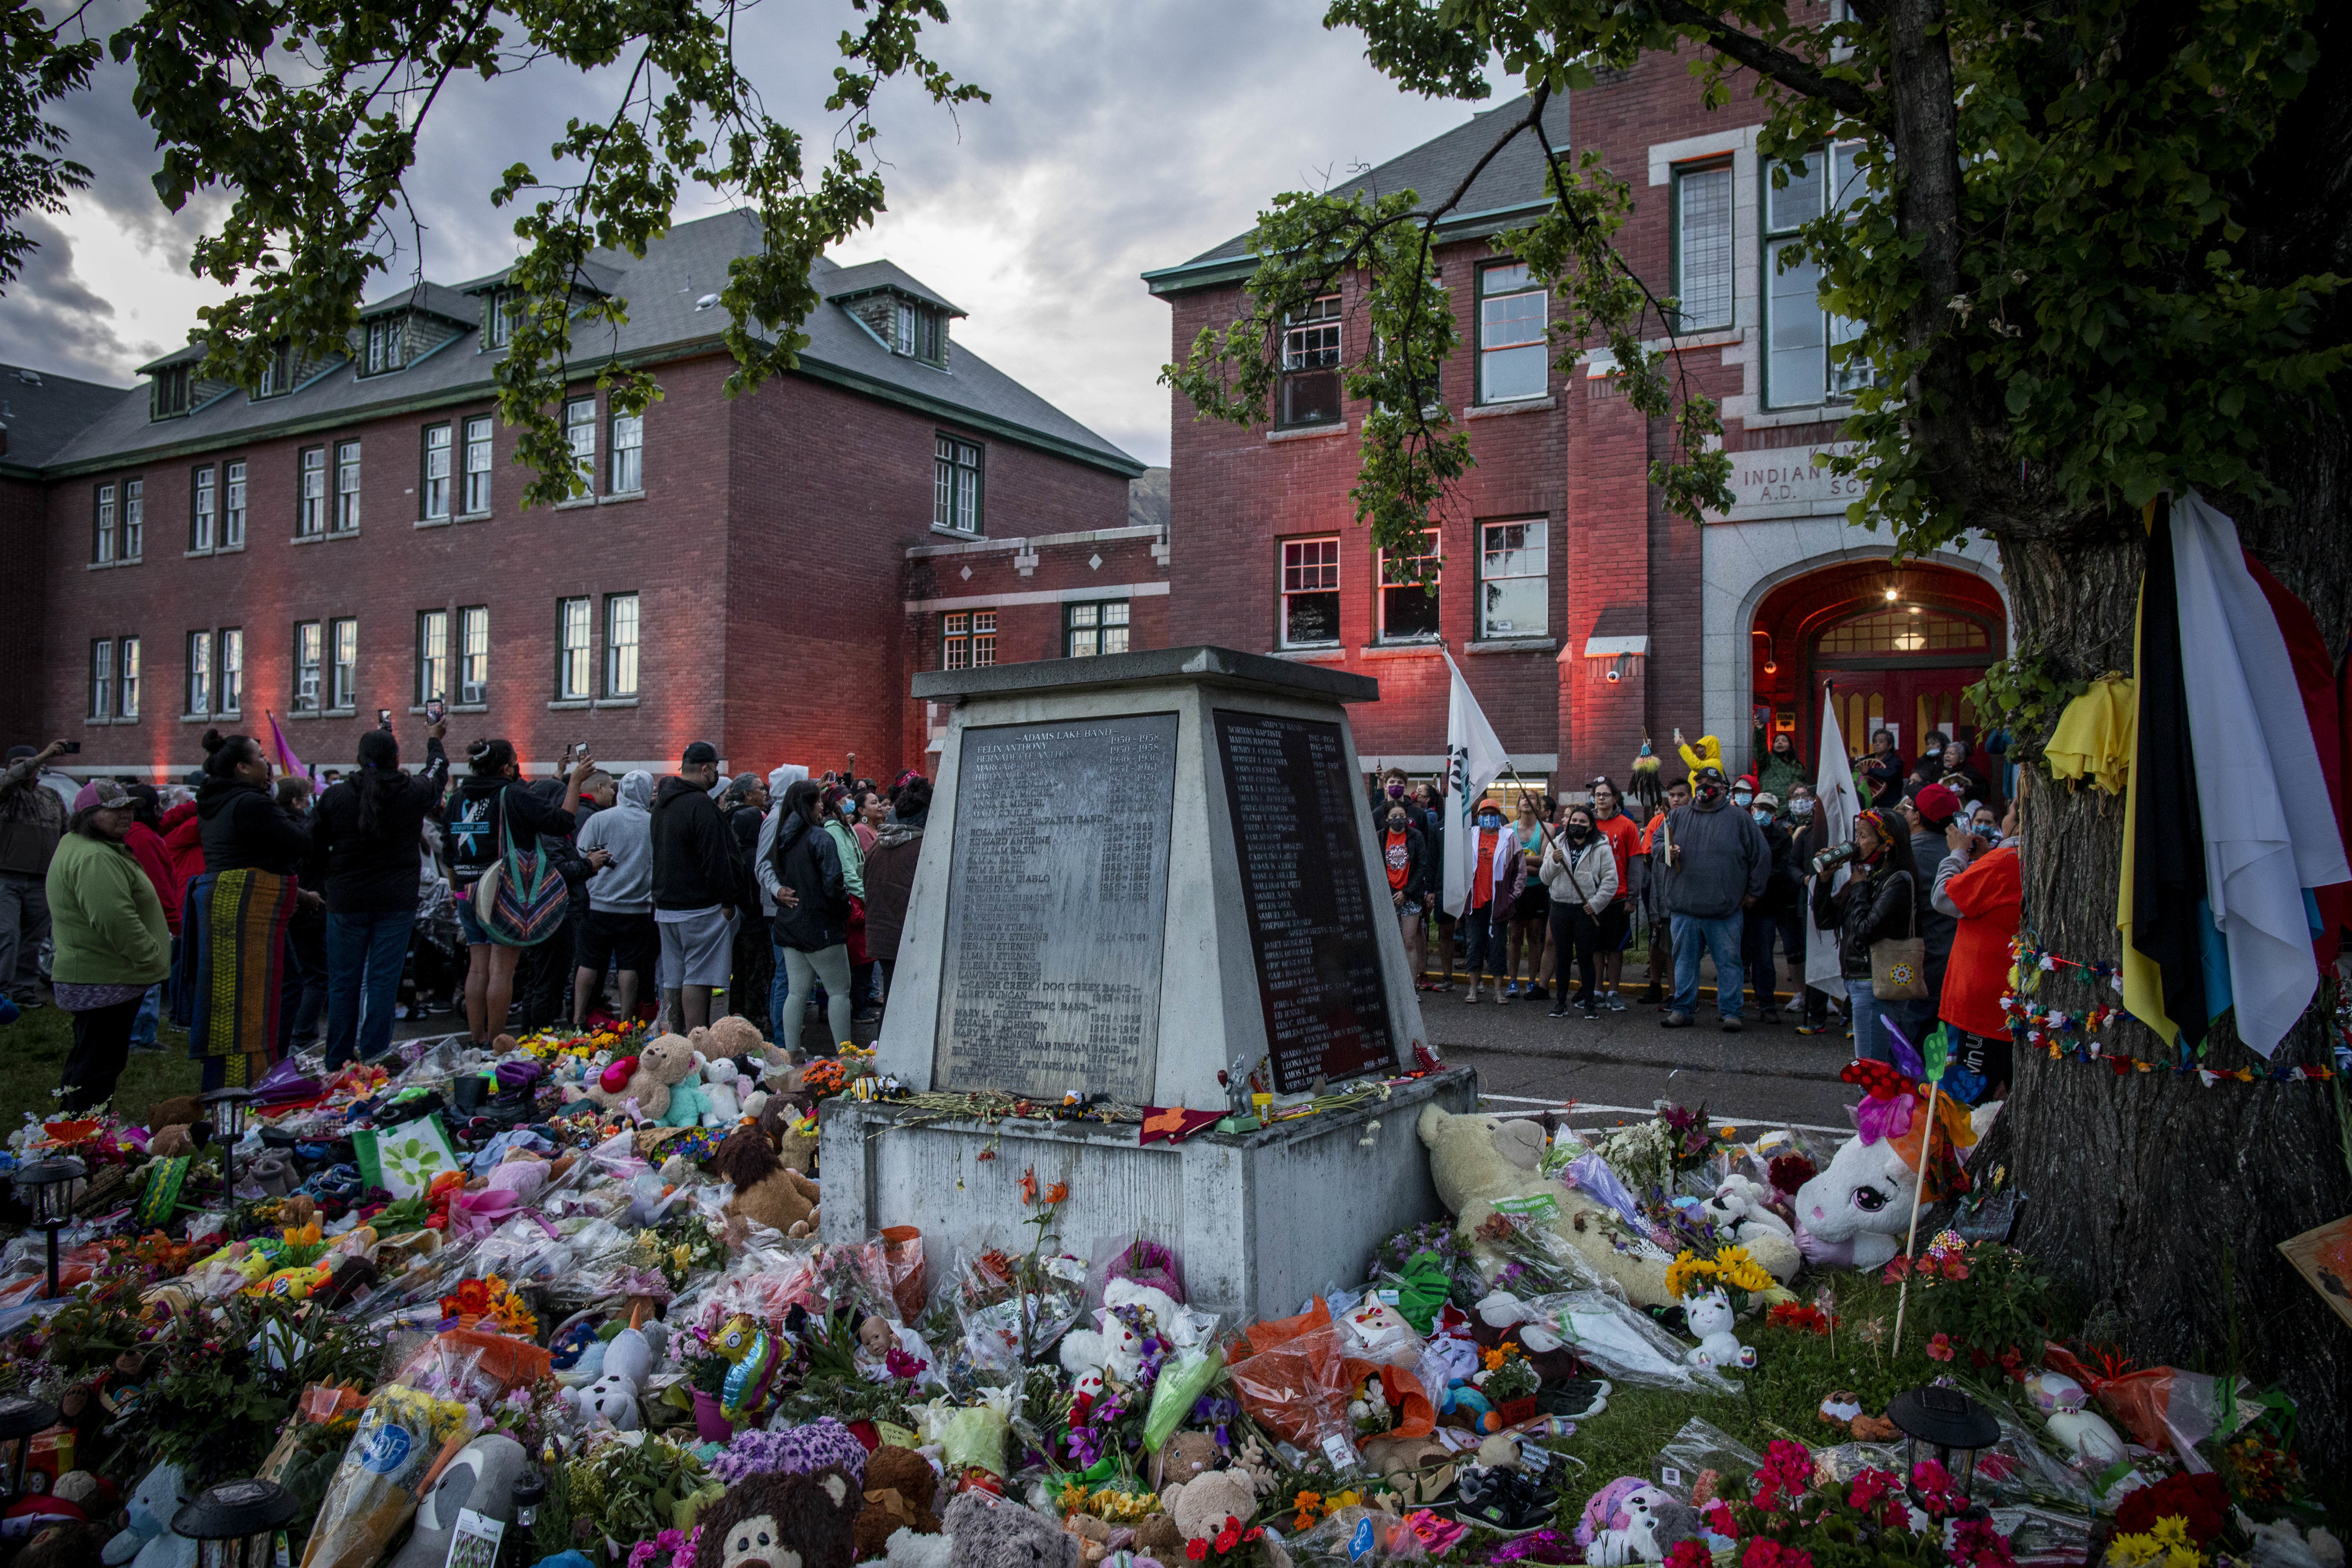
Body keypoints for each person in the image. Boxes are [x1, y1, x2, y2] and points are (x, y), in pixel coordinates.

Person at [308, 720, 450, 1067]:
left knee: (344, 982)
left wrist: (325, 882)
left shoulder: (336, 795)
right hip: (394, 901)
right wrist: (434, 740)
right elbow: (436, 775)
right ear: (396, 759)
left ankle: (338, 1059)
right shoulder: (410, 792)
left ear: (358, 758)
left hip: (346, 899)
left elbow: (311, 842)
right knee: (383, 981)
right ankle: (374, 1056)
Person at [184, 729, 315, 1088]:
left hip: (233, 905)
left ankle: (251, 1067)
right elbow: (302, 842)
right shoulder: (250, 803)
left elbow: (243, 852)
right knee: (256, 996)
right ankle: (255, 1073)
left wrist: (299, 893)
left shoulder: (216, 799)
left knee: (248, 993)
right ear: (242, 767)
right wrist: (313, 813)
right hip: (248, 912)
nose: (267, 761)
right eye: (259, 756)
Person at [445, 737, 591, 1046]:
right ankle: (497, 1042)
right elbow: (562, 821)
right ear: (506, 767)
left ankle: (476, 1038)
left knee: (477, 966)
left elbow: (449, 849)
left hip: (465, 889)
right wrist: (574, 781)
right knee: (502, 969)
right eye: (515, 762)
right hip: (503, 890)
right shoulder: (510, 795)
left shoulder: (458, 797)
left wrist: (454, 887)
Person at [45, 780, 170, 1111]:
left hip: (102, 974)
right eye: (114, 809)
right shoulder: (95, 856)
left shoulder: (88, 846)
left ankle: (73, 1134)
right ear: (88, 815)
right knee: (96, 1068)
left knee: (88, 1061)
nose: (126, 815)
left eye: (128, 807)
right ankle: (81, 1141)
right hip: (106, 978)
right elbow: (115, 919)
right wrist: (150, 956)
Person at [1657, 765, 1769, 1031]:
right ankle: (1683, 1009)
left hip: (1724, 910)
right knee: (1684, 961)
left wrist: (1754, 892)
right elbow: (1657, 845)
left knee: (1729, 962)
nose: (1705, 786)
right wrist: (1667, 851)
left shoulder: (1740, 819)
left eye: (1711, 782)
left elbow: (1761, 856)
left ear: (1722, 788)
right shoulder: (1676, 816)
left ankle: (1732, 1012)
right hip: (1685, 907)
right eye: (1701, 781)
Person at [1810, 806, 1920, 1063]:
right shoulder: (1867, 877)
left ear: (1886, 845)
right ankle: (1885, 1105)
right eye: (1856, 835)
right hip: (1858, 981)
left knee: (1872, 1069)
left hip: (1875, 983)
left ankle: (1871, 1105)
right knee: (1883, 1066)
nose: (1857, 843)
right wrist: (1825, 880)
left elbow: (1866, 931)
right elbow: (1826, 920)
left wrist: (1859, 890)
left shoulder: (1897, 881)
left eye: (1863, 836)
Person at [1935, 785, 2023, 1100]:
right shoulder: (2007, 859)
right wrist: (1983, 860)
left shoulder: (2008, 859)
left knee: (1973, 1099)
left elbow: (1944, 897)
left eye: (2010, 812)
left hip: (1984, 1005)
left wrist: (1958, 852)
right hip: (2004, 998)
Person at [651, 742, 738, 1034]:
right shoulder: (702, 806)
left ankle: (673, 1038)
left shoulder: (662, 804)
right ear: (706, 770)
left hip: (666, 904)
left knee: (674, 976)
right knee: (698, 977)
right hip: (698, 905)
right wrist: (728, 899)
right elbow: (716, 858)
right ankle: (696, 1040)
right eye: (714, 770)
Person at [764, 779, 852, 1056]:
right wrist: (844, 910)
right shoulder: (820, 837)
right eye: (818, 802)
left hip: (790, 924)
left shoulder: (782, 838)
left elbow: (773, 875)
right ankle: (847, 1057)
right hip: (822, 926)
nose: (821, 807)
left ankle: (791, 1055)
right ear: (809, 805)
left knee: (796, 992)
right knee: (839, 991)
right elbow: (834, 883)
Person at [573, 770, 653, 1026]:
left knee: (588, 963)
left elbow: (581, 855)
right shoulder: (652, 823)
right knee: (629, 966)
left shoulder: (599, 819)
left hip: (598, 903)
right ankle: (626, 1019)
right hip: (637, 907)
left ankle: (578, 1017)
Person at [0, 740, 71, 1010]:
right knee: (7, 935)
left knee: (33, 939)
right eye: (16, 763)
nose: (25, 768)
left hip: (42, 879)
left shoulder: (51, 797)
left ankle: (23, 990)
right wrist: (42, 755)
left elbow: (66, 833)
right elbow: (11, 780)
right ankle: (2, 993)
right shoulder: (6, 793)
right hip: (6, 876)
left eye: (28, 763)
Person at [1897, 783, 1963, 1044]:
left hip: (1922, 964)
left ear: (1917, 817)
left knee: (1908, 1046)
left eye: (1909, 808)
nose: (1905, 813)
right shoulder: (1959, 853)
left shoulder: (1909, 854)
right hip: (1953, 961)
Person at [1541, 802, 1617, 1019]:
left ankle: (1590, 1003)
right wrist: (1554, 863)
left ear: (1591, 826)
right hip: (1560, 908)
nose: (1577, 825)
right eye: (1574, 821)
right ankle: (1560, 1003)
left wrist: (1595, 904)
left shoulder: (1601, 847)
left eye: (1583, 822)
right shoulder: (1557, 844)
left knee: (1586, 957)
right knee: (1563, 958)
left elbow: (1611, 881)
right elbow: (1545, 879)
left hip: (1585, 910)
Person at [116, 784, 178, 1052]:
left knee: (147, 979)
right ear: (152, 809)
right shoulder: (144, 838)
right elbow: (157, 884)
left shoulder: (137, 835)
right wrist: (174, 920)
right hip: (149, 917)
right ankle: (138, 1038)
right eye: (159, 807)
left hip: (143, 915)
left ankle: (143, 1035)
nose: (163, 812)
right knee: (148, 979)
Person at [862, 775, 930, 1015]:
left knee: (892, 1005)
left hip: (881, 939)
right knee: (912, 1009)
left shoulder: (877, 847)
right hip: (912, 941)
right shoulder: (924, 849)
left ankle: (885, 1050)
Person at [1781, 783, 1838, 1035]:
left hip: (1842, 904)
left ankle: (1847, 1011)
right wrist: (1804, 879)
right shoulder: (1806, 835)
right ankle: (1816, 1014)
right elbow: (1791, 866)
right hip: (1812, 905)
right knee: (1814, 957)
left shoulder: (1847, 834)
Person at [1739, 790, 1800, 1023]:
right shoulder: (1742, 830)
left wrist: (1756, 889)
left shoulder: (1782, 837)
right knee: (1736, 958)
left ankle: (1767, 1005)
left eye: (1769, 810)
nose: (1763, 813)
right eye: (1760, 807)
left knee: (1764, 958)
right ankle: (1733, 1006)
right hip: (1739, 904)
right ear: (1753, 808)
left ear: (1775, 813)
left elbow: (1781, 869)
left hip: (1766, 905)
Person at [720, 774, 773, 1025]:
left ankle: (736, 1014)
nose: (764, 793)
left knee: (739, 971)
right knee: (755, 972)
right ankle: (754, 1018)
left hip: (738, 919)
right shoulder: (754, 856)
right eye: (759, 789)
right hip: (755, 919)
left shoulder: (733, 844)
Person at [1585, 777, 1639, 1011]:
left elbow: (1635, 862)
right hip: (1593, 898)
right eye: (1598, 795)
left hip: (1619, 896)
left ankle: (1614, 991)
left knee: (1616, 948)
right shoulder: (1588, 825)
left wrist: (1633, 897)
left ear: (1615, 798)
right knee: (1596, 947)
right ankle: (1597, 990)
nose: (1601, 799)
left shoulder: (1627, 825)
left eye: (1606, 795)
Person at [1463, 796, 1523, 1003]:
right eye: (1484, 815)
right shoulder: (1470, 836)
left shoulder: (1509, 837)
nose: (1488, 818)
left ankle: (1498, 991)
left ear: (1500, 817)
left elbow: (1520, 871)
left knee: (1498, 946)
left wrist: (1511, 896)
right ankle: (1473, 989)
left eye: (1493, 815)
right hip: (1474, 902)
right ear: (1478, 817)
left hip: (1498, 902)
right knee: (1474, 945)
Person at [1638, 777, 1690, 1003]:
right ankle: (1660, 988)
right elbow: (1655, 865)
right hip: (1662, 893)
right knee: (1658, 942)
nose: (1676, 799)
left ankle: (1678, 993)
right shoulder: (1661, 824)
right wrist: (1655, 909)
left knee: (1678, 949)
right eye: (1673, 796)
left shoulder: (1695, 822)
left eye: (1681, 795)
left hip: (1688, 896)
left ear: (1691, 797)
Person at [1502, 792, 1551, 1001]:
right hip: (1516, 889)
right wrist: (1527, 863)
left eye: (1532, 797)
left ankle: (1532, 980)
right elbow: (1505, 860)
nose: (1527, 800)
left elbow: (1544, 861)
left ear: (1539, 805)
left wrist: (1518, 860)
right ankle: (1513, 980)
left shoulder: (1547, 829)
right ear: (1518, 804)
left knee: (1534, 935)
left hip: (1537, 888)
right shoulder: (1507, 829)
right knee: (1515, 936)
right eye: (1523, 797)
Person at [1379, 797, 1430, 987]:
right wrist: (1390, 891)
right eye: (1394, 816)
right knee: (1390, 941)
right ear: (1387, 819)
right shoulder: (1381, 837)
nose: (1399, 820)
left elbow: (1422, 866)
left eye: (1402, 816)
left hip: (1411, 895)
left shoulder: (1416, 837)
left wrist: (1407, 892)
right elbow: (1377, 866)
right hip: (1388, 895)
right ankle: (1392, 985)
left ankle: (1411, 986)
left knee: (1409, 941)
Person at [1413, 782, 1455, 991]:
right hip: (1443, 888)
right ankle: (1448, 977)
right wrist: (1430, 889)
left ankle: (1479, 977)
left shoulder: (1474, 826)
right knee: (1446, 933)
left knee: (1475, 934)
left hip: (1472, 890)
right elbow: (1431, 860)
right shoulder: (1439, 826)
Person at [1859, 729, 1907, 808]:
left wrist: (1870, 771)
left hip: (1889, 805)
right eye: (1875, 742)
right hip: (1869, 805)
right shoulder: (1867, 759)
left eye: (1881, 742)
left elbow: (1890, 774)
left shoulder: (1896, 761)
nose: (1877, 744)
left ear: (1890, 745)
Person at [1937, 739, 1990, 805]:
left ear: (1961, 758)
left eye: (1951, 754)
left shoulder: (1968, 770)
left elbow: (1985, 788)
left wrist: (1965, 791)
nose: (1947, 756)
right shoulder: (1940, 770)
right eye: (1946, 753)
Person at [1757, 730, 1806, 802]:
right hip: (1770, 805)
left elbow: (1804, 787)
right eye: (1777, 741)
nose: (1780, 743)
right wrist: (1760, 730)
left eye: (1784, 741)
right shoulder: (1767, 762)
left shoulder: (1798, 767)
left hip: (1792, 806)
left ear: (1790, 746)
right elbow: (1760, 748)